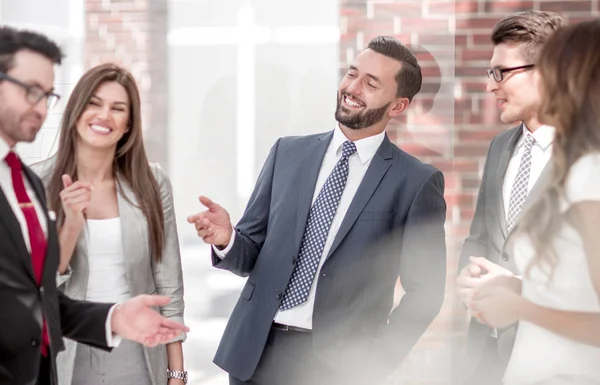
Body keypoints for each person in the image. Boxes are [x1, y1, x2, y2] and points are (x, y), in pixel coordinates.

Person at [187, 36, 447, 385]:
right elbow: (250, 255)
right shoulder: (287, 154)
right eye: (352, 74)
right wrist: (228, 239)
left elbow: (426, 292)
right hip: (255, 352)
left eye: (371, 83)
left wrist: (376, 361)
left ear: (397, 106)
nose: (352, 88)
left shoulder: (416, 182)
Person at [0, 26, 188, 385]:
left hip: (137, 347)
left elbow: (169, 284)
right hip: (66, 353)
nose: (104, 116)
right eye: (94, 103)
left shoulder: (151, 183)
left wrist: (176, 371)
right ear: (75, 110)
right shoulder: (35, 181)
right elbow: (40, 287)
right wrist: (70, 226)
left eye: (118, 109)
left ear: (129, 124)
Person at [471, 18, 600, 385]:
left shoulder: (589, 171)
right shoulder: (575, 163)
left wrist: (519, 303)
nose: (490, 85)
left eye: (501, 73)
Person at [456, 11, 563, 385]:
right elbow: (481, 238)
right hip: (484, 358)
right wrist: (467, 281)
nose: (491, 85)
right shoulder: (500, 147)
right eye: (491, 73)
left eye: (501, 72)